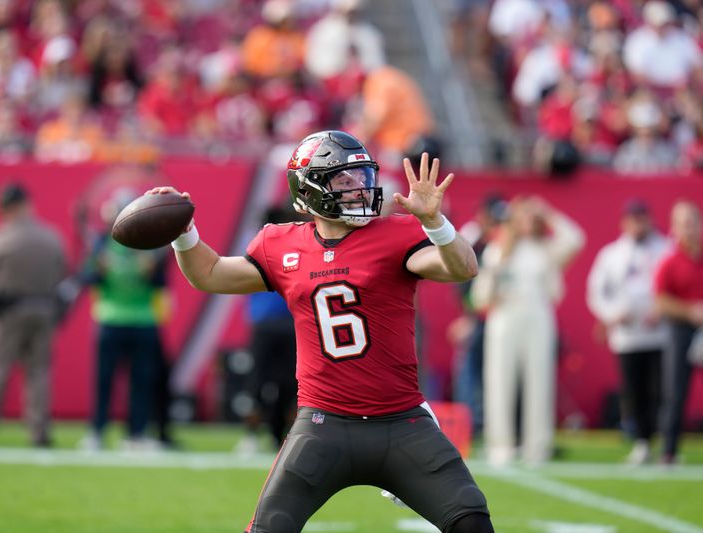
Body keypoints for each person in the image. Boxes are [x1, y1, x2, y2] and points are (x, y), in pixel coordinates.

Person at [147, 130, 493, 533]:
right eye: (345, 180)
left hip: (402, 423)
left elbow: (462, 268)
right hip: (322, 426)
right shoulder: (279, 243)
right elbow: (209, 274)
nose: (360, 189)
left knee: (471, 522)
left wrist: (435, 222)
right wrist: (184, 233)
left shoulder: (395, 234)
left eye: (362, 177)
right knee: (268, 528)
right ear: (310, 188)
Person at [471, 196, 585, 467]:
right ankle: (501, 445)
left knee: (540, 381)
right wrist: (500, 265)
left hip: (538, 317)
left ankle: (537, 446)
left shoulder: (545, 249)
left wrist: (548, 213)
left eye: (531, 218)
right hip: (504, 319)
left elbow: (576, 239)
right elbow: (480, 297)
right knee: (499, 381)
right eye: (522, 216)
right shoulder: (496, 251)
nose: (528, 222)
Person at [0, 183, 67, 447]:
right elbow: (63, 271)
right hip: (44, 309)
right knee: (38, 372)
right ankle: (39, 432)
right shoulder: (52, 236)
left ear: (12, 207)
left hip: (9, 311)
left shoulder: (1, 237)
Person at [79, 190, 171, 451]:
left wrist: (152, 272)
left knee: (141, 382)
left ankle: (137, 433)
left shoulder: (152, 245)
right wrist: (99, 268)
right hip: (110, 319)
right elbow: (86, 277)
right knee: (104, 380)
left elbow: (161, 284)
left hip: (143, 320)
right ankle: (97, 432)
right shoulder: (102, 243)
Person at [586, 200, 670, 465]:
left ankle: (663, 441)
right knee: (633, 390)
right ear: (624, 223)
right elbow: (597, 291)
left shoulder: (665, 249)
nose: (637, 225)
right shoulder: (612, 254)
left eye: (641, 219)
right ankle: (642, 441)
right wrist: (612, 315)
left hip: (660, 332)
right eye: (632, 219)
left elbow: (673, 285)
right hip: (627, 335)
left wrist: (661, 309)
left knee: (660, 390)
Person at [235, 206, 299, 455]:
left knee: (286, 384)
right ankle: (252, 435)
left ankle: (276, 437)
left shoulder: (292, 245)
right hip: (268, 324)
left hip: (286, 324)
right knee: (258, 382)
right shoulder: (258, 246)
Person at [450, 194, 508, 437]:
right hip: (478, 316)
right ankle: (468, 424)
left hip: (500, 316)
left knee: (496, 373)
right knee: (469, 370)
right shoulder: (472, 237)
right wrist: (469, 313)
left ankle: (491, 422)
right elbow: (462, 278)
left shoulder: (505, 240)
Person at [654, 200, 703, 465]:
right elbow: (660, 301)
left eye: (692, 222)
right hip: (680, 329)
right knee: (675, 391)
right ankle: (669, 451)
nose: (689, 229)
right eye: (683, 224)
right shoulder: (670, 261)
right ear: (674, 228)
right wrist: (690, 311)